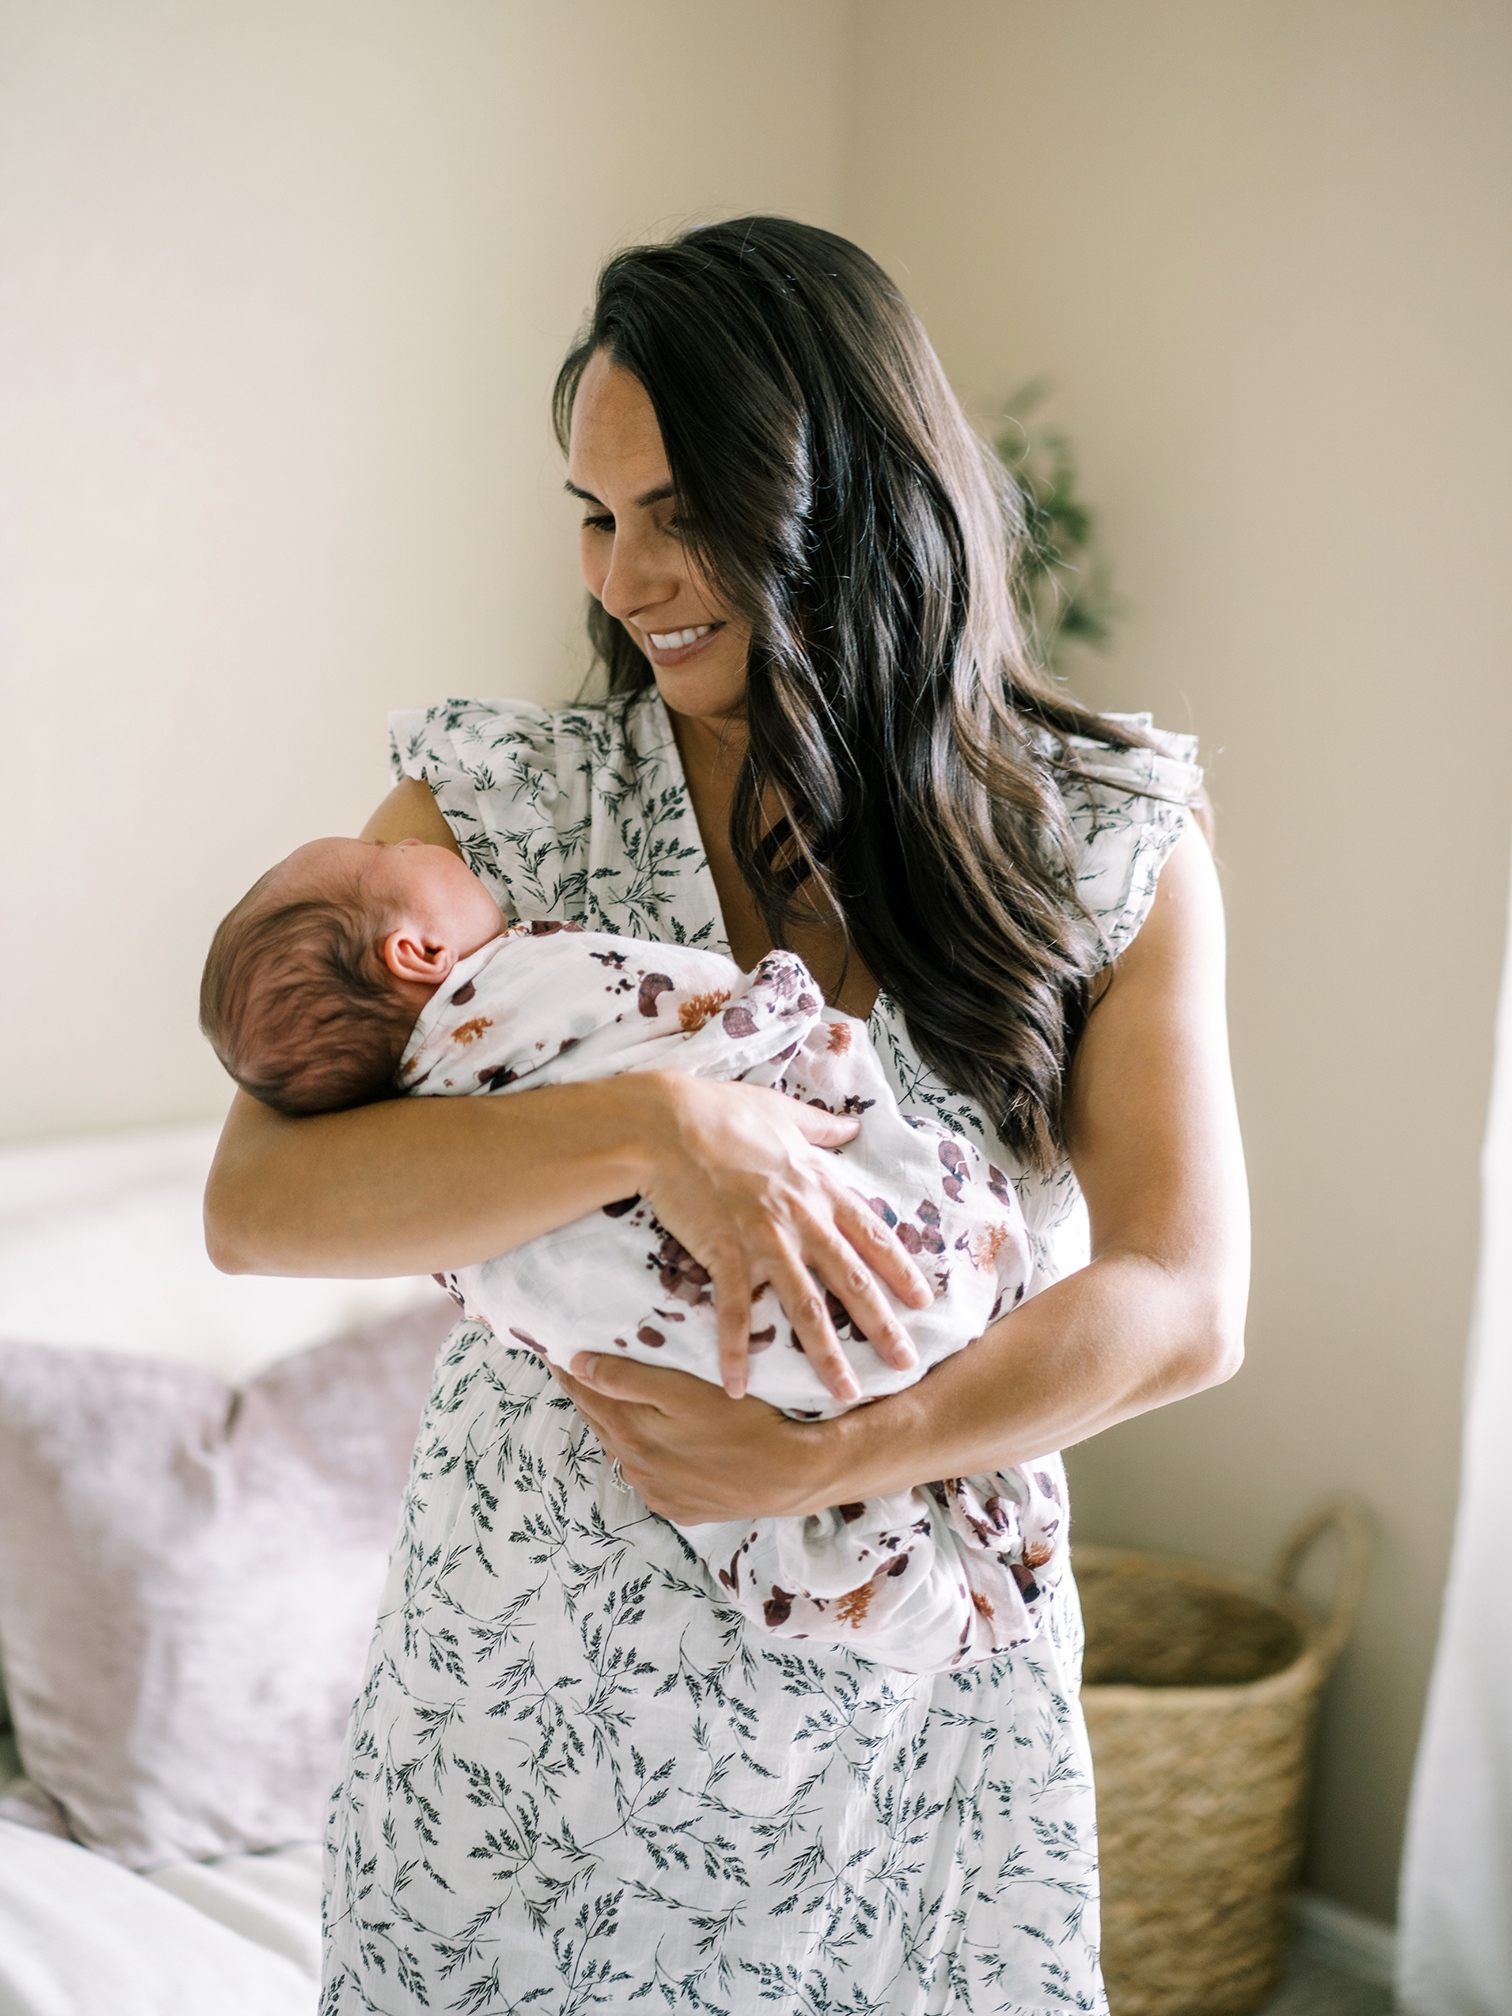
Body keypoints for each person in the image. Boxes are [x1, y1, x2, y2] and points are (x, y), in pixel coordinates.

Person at [206, 216, 1248, 2012]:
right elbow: (259, 1206)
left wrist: (834, 1454)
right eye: (593, 517)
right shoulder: (502, 800)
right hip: (525, 1725)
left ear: (841, 496)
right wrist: (654, 1131)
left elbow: (1181, 1295)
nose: (625, 576)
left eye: (678, 511)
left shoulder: (1095, 839)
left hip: (915, 1734)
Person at [198, 837, 1054, 1673]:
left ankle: (915, 1570)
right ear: (417, 951)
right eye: (383, 854)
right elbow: (243, 1217)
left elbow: (1182, 1308)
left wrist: (820, 1463)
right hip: (548, 1595)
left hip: (721, 1454)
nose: (396, 842)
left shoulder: (416, 1135)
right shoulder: (513, 969)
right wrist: (674, 1115)